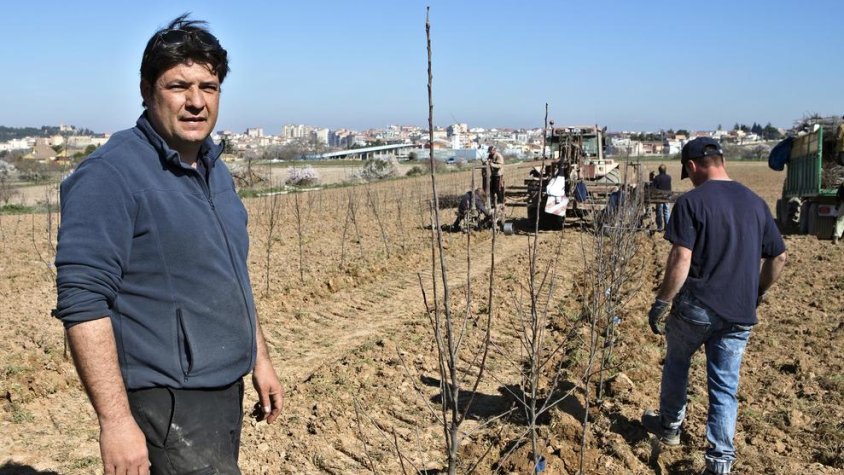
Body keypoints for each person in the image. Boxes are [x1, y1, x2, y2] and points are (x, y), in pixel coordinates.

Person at [53, 15, 282, 475]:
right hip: (167, 401)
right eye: (179, 86)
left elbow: (229, 273)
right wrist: (116, 422)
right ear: (146, 90)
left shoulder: (214, 168)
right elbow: (83, 302)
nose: (196, 102)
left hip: (221, 387)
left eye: (209, 86)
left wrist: (259, 356)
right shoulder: (111, 175)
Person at [642, 137, 787, 475]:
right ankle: (719, 463)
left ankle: (669, 427)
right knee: (724, 386)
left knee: (678, 361)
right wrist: (757, 291)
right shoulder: (755, 203)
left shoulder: (691, 203)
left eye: (688, 172)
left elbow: (681, 256)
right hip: (739, 311)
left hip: (698, 306)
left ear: (692, 166)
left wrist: (662, 301)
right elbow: (779, 256)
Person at [651, 163, 672, 231]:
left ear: (659, 170)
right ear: (665, 170)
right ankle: (668, 226)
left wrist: (653, 179)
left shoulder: (657, 178)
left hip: (659, 198)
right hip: (667, 197)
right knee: (666, 211)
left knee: (659, 211)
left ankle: (660, 226)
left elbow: (653, 188)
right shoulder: (669, 177)